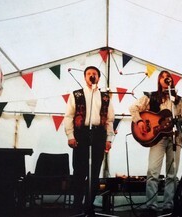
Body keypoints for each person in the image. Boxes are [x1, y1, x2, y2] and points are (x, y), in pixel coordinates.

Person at [129, 70, 182, 216]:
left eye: (169, 77)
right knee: (153, 172)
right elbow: (133, 108)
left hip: (175, 138)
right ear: (160, 81)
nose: (167, 79)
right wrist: (140, 121)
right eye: (163, 77)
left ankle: (169, 205)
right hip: (157, 138)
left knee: (172, 174)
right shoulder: (151, 96)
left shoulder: (178, 100)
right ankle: (151, 206)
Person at [64, 66, 115, 216]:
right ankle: (77, 205)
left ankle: (89, 205)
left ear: (98, 78)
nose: (91, 76)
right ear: (85, 77)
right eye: (88, 74)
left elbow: (110, 119)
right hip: (81, 134)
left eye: (94, 74)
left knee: (94, 173)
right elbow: (68, 116)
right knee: (79, 172)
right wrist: (70, 136)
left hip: (99, 134)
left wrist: (109, 139)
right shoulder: (76, 94)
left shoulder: (105, 97)